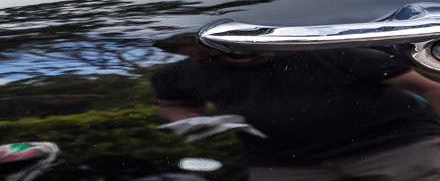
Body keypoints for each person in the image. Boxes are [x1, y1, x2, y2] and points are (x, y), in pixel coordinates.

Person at [151, 34, 440, 181]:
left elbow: (428, 88)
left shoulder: (338, 53)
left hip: (395, 144)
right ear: (195, 56)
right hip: (280, 160)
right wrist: (188, 120)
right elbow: (171, 105)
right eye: (214, 54)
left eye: (245, 50)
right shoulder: (178, 74)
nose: (241, 56)